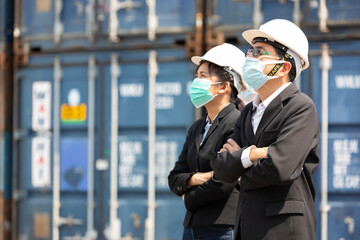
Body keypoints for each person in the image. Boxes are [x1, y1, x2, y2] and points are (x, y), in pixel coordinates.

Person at [211, 19, 320, 240]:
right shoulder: (248, 111)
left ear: (284, 67)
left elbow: (280, 168)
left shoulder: (300, 107)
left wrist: (239, 168)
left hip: (282, 229)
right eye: (250, 51)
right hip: (246, 229)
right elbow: (221, 167)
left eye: (259, 52)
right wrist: (253, 153)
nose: (249, 57)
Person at [168, 43, 249, 240]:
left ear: (224, 86)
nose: (196, 82)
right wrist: (197, 178)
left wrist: (189, 198)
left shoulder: (237, 122)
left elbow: (223, 181)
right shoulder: (197, 127)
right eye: (197, 76)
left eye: (203, 76)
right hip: (192, 228)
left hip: (222, 228)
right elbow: (174, 176)